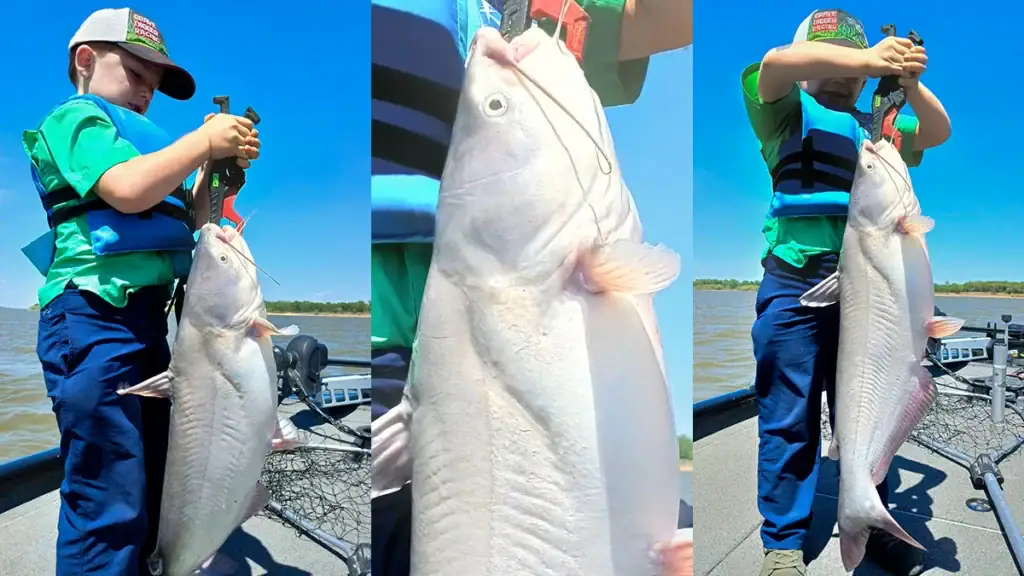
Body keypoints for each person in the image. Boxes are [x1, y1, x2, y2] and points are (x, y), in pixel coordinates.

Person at [370, 1, 692, 575]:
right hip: (399, 337)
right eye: (494, 104)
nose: (490, 57)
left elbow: (673, 17)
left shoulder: (519, 16)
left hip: (433, 337)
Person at [24, 8, 259, 575]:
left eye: (154, 88)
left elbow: (196, 224)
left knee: (157, 473)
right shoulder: (76, 119)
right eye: (136, 74)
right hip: (90, 319)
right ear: (86, 60)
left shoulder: (157, 155)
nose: (145, 94)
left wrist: (213, 174)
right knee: (110, 487)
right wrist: (202, 141)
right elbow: (127, 192)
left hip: (154, 329)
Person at [744, 9, 951, 576]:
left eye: (855, 68)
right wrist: (865, 59)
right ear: (812, 62)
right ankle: (783, 544)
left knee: (866, 408)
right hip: (795, 284)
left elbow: (936, 131)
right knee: (788, 417)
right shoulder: (783, 109)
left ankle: (868, 509)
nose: (844, 76)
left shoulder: (877, 131)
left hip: (870, 294)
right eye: (828, 59)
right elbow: (775, 65)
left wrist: (908, 85)